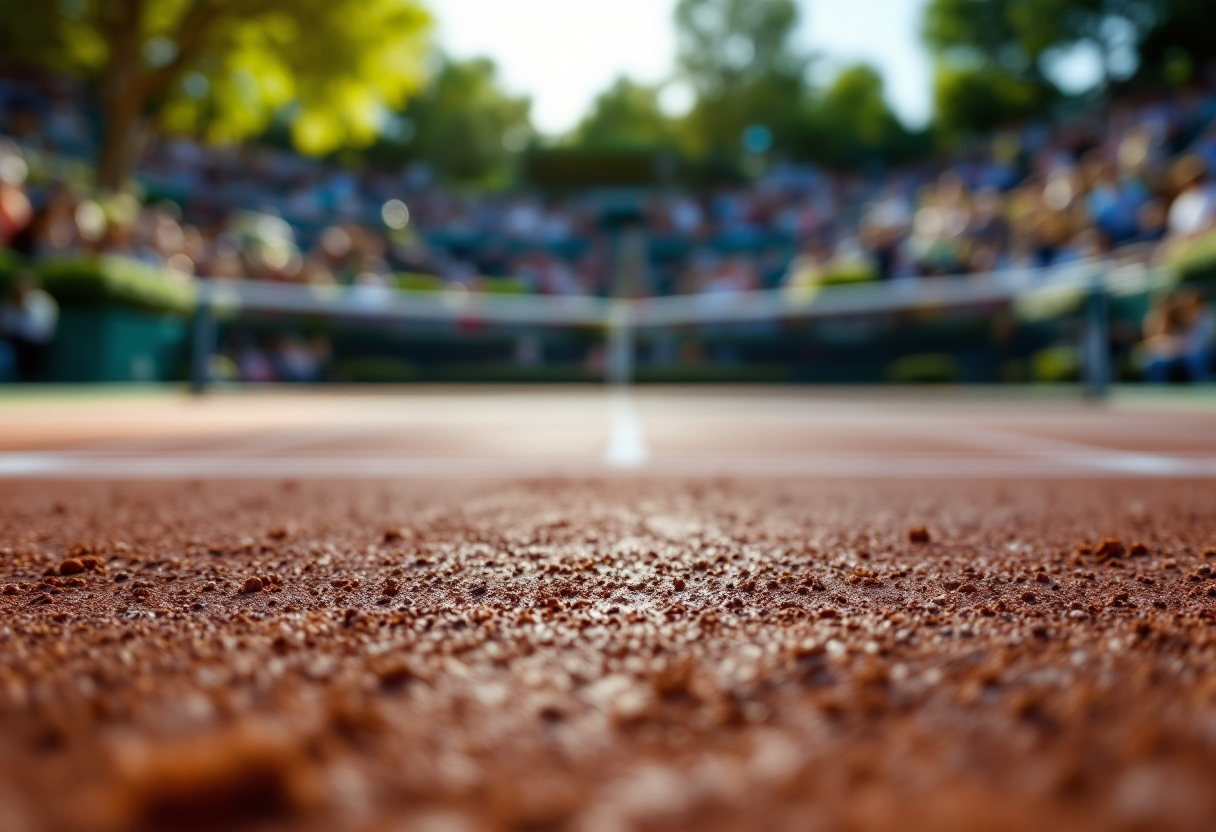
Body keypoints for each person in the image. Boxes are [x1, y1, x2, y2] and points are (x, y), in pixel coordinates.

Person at [0, 270, 58, 381]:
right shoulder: (10, 301)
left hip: (36, 343)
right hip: (16, 341)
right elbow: (6, 327)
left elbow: (39, 329)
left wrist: (23, 306)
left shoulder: (40, 299)